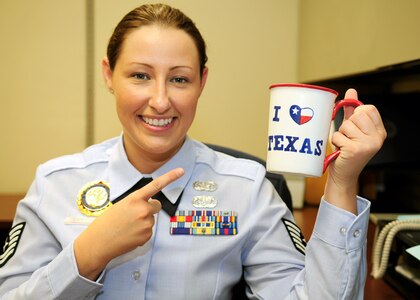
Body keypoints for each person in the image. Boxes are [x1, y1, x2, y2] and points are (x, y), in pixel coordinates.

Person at [0, 3, 386, 299]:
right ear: (108, 75)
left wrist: (342, 181)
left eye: (179, 79)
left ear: (201, 82)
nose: (161, 100)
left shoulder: (247, 189)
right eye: (139, 75)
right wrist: (85, 255)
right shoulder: (55, 184)